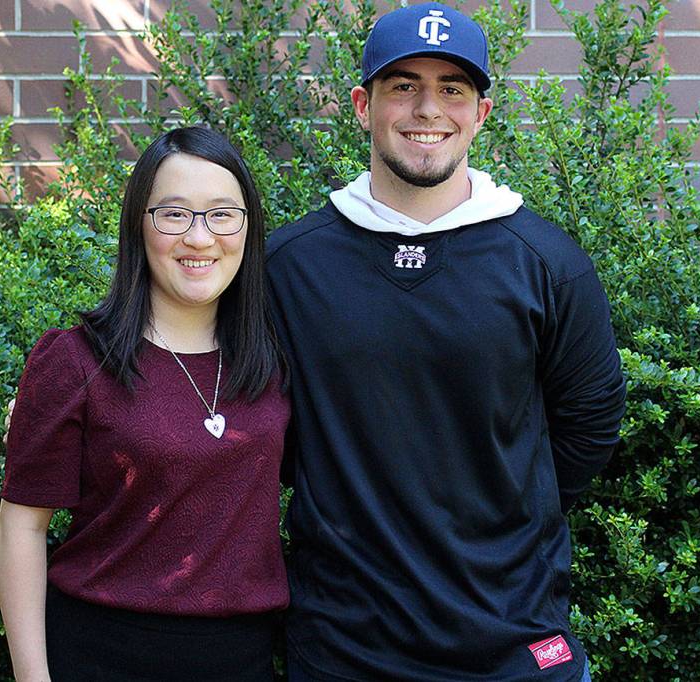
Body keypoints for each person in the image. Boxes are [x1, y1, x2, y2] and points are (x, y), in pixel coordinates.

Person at [264, 4, 626, 681]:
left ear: (481, 113)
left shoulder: (547, 262)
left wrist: (501, 517)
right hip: (345, 648)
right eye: (403, 85)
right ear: (361, 104)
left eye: (452, 89)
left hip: (513, 644)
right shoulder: (290, 264)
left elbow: (590, 426)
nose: (427, 108)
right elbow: (257, 424)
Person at [0, 126, 289, 682]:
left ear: (248, 231)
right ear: (139, 225)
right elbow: (21, 530)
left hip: (242, 661)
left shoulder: (274, 362)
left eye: (223, 214)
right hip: (100, 655)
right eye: (174, 214)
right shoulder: (77, 361)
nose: (200, 238)